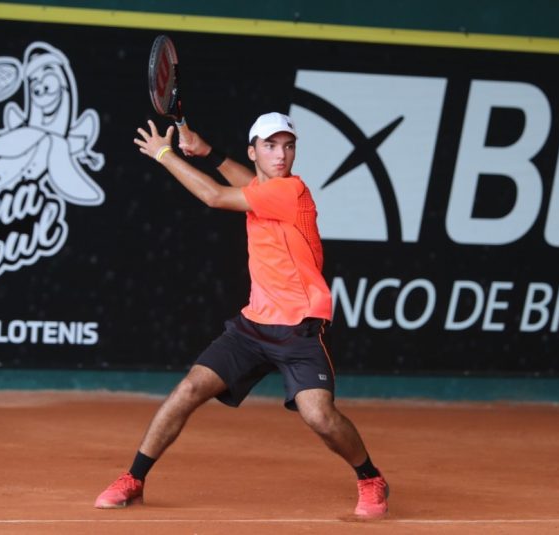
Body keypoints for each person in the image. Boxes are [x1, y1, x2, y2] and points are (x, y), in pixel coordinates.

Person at [94, 112, 389, 518]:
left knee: (319, 416)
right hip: (253, 327)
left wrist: (164, 153)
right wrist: (206, 151)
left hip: (300, 328)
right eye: (270, 146)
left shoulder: (291, 191)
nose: (281, 154)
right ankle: (134, 477)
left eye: (288, 146)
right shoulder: (263, 187)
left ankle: (370, 477)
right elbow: (243, 180)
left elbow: (214, 196)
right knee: (189, 390)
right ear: (254, 152)